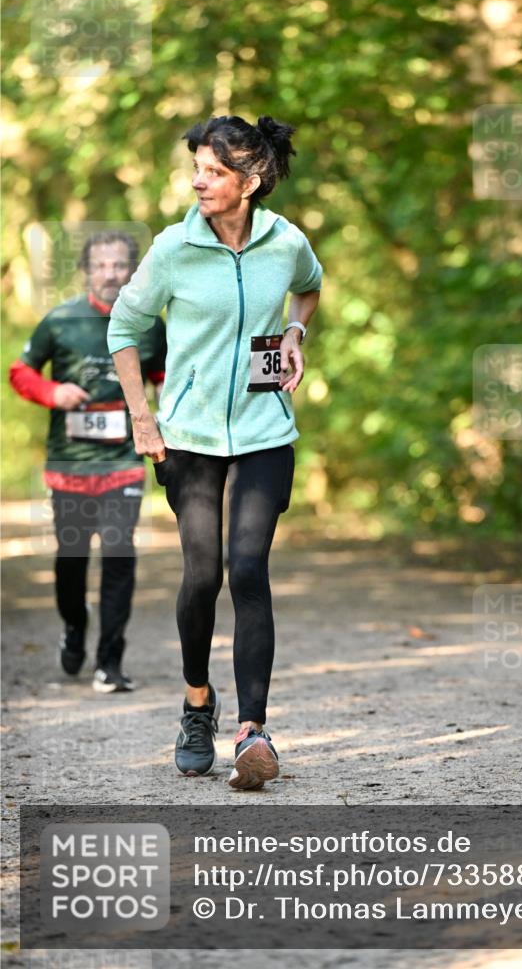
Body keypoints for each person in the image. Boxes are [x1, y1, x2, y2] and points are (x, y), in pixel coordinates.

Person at [108, 114, 322, 789]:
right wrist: (143, 420)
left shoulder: (285, 241)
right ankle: (197, 704)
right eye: (196, 169)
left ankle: (253, 731)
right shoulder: (174, 248)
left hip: (265, 431)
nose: (198, 181)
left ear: (248, 182)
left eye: (213, 171)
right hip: (189, 438)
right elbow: (123, 327)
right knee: (202, 575)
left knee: (248, 568)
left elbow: (309, 286)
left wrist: (294, 333)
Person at [9, 232, 167, 692]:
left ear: (132, 272)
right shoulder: (61, 321)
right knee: (71, 561)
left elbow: (163, 375)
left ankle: (109, 662)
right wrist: (52, 392)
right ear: (85, 271)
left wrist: (164, 403)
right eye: (100, 265)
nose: (109, 274)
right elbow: (20, 371)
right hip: (71, 467)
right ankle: (75, 623)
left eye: (119, 266)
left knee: (119, 555)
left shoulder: (149, 325)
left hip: (124, 464)